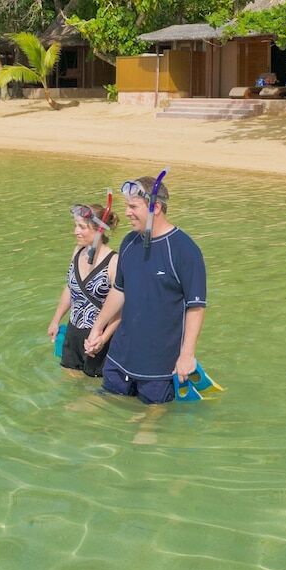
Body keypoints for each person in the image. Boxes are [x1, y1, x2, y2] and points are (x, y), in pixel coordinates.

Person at [85, 171, 206, 405]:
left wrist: (187, 355)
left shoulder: (184, 250)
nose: (127, 213)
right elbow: (119, 291)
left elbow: (196, 307)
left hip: (158, 365)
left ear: (155, 207)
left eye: (133, 206)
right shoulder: (129, 242)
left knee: (148, 427)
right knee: (102, 408)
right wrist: (97, 329)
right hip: (120, 357)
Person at [45, 197, 116, 378]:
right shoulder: (78, 251)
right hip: (73, 333)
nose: (76, 231)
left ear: (100, 230)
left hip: (97, 341)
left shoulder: (114, 261)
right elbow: (70, 288)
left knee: (93, 393)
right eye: (75, 225)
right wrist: (56, 320)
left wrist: (103, 338)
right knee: (68, 388)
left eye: (82, 227)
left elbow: (120, 308)